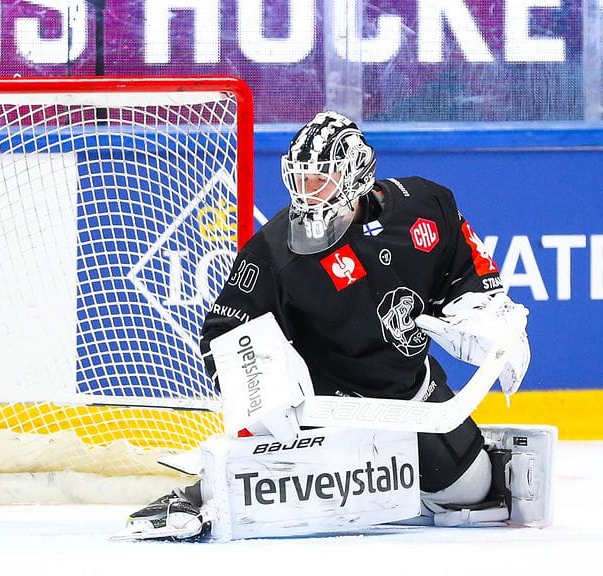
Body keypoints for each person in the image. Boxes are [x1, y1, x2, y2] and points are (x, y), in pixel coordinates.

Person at [119, 111, 531, 541]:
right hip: (327, 410)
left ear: (356, 176)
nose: (306, 192)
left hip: (412, 395)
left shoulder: (427, 205)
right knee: (263, 488)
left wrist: (488, 315)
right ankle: (201, 492)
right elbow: (224, 329)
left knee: (471, 489)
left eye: (320, 180)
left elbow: (468, 274)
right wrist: (261, 392)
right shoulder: (275, 249)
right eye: (300, 180)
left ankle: (404, 485)